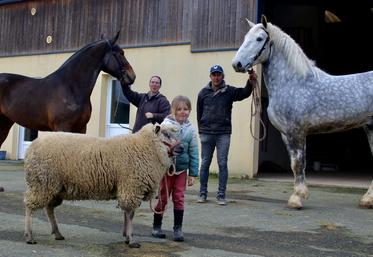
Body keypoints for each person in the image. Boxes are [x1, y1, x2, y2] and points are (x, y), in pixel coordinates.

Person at [196, 64, 257, 205]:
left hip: (223, 133)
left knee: (222, 163)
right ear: (210, 76)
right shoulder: (202, 93)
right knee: (205, 164)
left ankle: (221, 195)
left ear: (223, 76)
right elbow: (199, 113)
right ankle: (202, 193)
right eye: (214, 74)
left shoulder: (229, 91)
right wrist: (201, 130)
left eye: (219, 74)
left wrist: (250, 81)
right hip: (206, 133)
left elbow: (245, 93)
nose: (216, 77)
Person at [151, 95, 199, 242]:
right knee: (164, 197)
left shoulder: (191, 130)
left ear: (190, 111)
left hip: (182, 169)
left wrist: (193, 173)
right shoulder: (164, 126)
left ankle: (178, 229)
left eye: (186, 109)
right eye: (179, 109)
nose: (183, 112)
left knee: (179, 198)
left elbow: (194, 151)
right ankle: (156, 226)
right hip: (167, 169)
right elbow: (158, 147)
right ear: (173, 110)